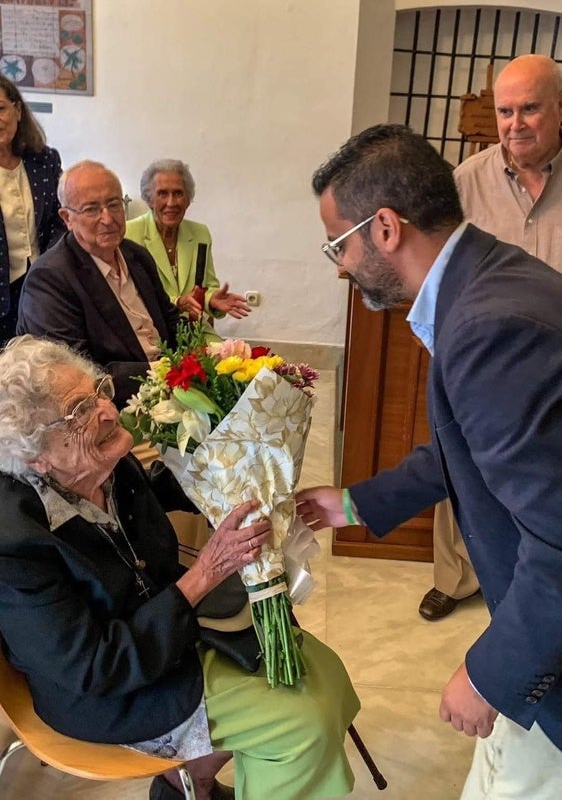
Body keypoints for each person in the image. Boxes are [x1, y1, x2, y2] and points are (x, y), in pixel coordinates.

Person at [298, 123, 562, 799]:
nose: (339, 266)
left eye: (338, 244)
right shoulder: (489, 276)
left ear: (385, 228)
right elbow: (463, 447)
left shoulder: (489, 326)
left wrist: (490, 674)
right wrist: (353, 503)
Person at [0, 334, 360, 800]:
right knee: (302, 723)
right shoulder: (15, 545)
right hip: (114, 694)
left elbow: (153, 490)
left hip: (169, 633)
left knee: (326, 675)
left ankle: (186, 786)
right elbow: (95, 668)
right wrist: (205, 573)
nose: (107, 410)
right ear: (37, 458)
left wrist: (238, 468)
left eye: (98, 392)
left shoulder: (100, 463)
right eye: (78, 412)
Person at [420, 53, 562, 621]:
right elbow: (437, 266)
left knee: (546, 481)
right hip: (480, 358)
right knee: (464, 461)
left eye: (530, 109)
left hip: (555, 363)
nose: (515, 124)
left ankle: (536, 585)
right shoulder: (465, 182)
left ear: (559, 109)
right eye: (506, 112)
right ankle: (455, 577)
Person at [16, 160, 181, 409]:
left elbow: (170, 320)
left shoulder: (136, 255)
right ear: (67, 218)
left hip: (172, 387)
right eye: (92, 209)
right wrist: (164, 372)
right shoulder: (50, 279)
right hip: (111, 407)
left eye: (114, 204)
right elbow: (76, 374)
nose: (108, 218)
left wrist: (204, 354)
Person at [126, 159, 250, 340]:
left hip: (193, 328)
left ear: (188, 200)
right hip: (151, 332)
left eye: (178, 193)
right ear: (149, 199)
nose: (171, 202)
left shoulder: (200, 233)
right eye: (162, 193)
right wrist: (177, 302)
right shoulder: (129, 234)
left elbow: (206, 286)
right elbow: (133, 296)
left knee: (232, 355)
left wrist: (212, 299)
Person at [0, 74, 65, 344]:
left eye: (1, 109)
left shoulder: (44, 159)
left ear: (17, 110)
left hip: (41, 286)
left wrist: (48, 266)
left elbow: (60, 218)